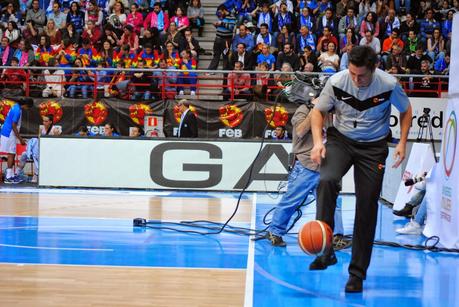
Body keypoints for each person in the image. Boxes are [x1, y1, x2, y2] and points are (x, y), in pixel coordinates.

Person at [310, 46, 412, 293]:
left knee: (366, 205)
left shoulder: (388, 84)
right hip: (341, 140)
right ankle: (326, 250)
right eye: (353, 74)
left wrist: (401, 142)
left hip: (373, 147)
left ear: (374, 69)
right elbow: (317, 112)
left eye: (362, 75)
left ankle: (357, 274)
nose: (356, 80)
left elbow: (406, 110)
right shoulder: (336, 81)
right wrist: (317, 142)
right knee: (326, 180)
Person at [0, 98, 34, 184]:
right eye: (29, 108)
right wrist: (20, 139)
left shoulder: (16, 106)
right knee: (11, 154)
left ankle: (10, 175)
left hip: (7, 132)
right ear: (26, 105)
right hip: (9, 133)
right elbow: (14, 126)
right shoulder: (17, 110)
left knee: (12, 154)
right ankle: (8, 177)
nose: (28, 110)